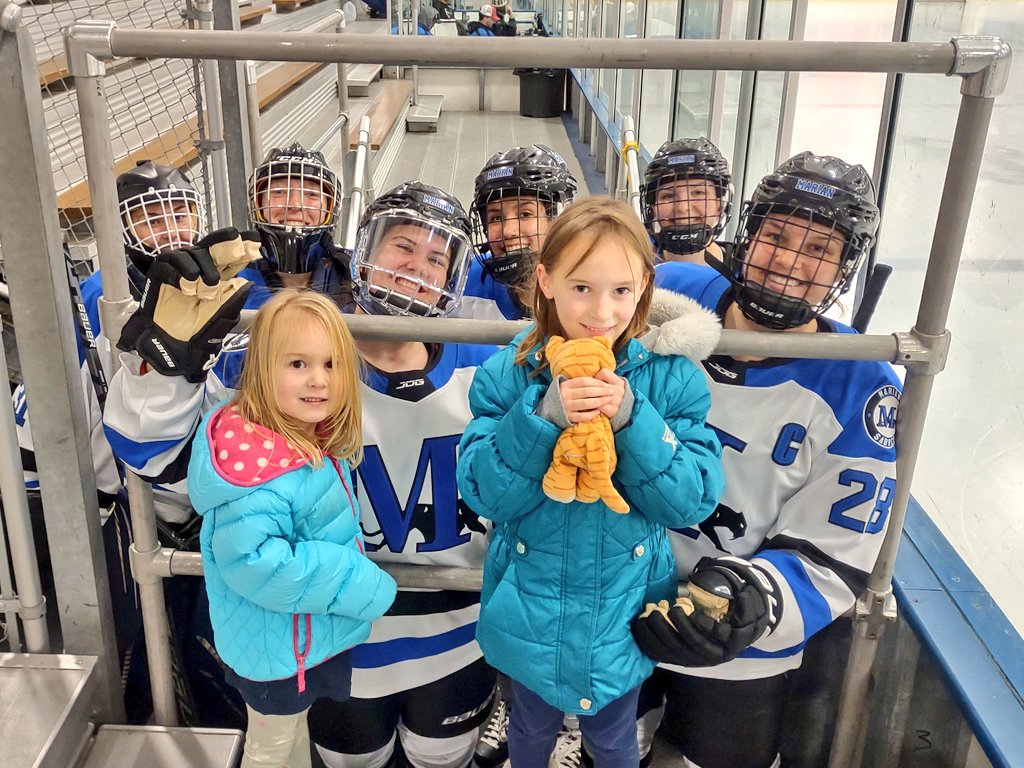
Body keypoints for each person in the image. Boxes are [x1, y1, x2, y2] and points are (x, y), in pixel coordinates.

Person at [631, 152, 899, 767]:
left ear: (843, 268)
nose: (786, 261)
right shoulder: (672, 292)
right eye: (776, 236)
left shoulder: (860, 388)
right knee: (611, 749)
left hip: (740, 647)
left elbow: (838, 554)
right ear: (747, 234)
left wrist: (752, 600)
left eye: (817, 251)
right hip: (624, 599)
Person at [456, 196, 724, 768]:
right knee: (528, 732)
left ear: (644, 286)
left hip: (623, 610)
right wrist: (540, 417)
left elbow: (691, 500)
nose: (602, 311)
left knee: (614, 739)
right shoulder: (509, 371)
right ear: (546, 281)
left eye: (621, 291)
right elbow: (483, 492)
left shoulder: (673, 379)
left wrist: (633, 419)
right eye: (582, 287)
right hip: (530, 601)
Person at [103, 144, 347, 727]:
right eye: (280, 193)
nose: (294, 208)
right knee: (249, 693)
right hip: (237, 522)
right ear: (254, 203)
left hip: (339, 518)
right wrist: (168, 370)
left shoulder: (358, 283)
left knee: (344, 697)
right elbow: (162, 452)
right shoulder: (222, 295)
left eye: (310, 192)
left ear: (333, 206)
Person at [307, 182, 499, 768]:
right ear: (364, 250)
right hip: (338, 640)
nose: (417, 268)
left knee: (443, 759)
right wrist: (170, 377)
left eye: (436, 258)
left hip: (460, 636)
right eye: (403, 247)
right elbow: (168, 473)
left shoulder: (491, 364)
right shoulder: (304, 363)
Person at [188, 289, 397, 768]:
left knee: (289, 740)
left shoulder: (293, 440)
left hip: (289, 641)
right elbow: (253, 563)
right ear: (263, 367)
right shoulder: (260, 470)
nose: (318, 381)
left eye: (331, 364)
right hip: (281, 651)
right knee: (272, 750)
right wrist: (355, 580)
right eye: (298, 364)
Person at [460, 144, 578, 321]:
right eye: (496, 218)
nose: (509, 231)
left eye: (525, 214)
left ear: (557, 219)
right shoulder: (463, 279)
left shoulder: (589, 283)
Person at [641, 138, 732, 266]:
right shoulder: (631, 269)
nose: (683, 208)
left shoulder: (746, 273)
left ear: (719, 204)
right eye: (668, 196)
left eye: (699, 193)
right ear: (653, 206)